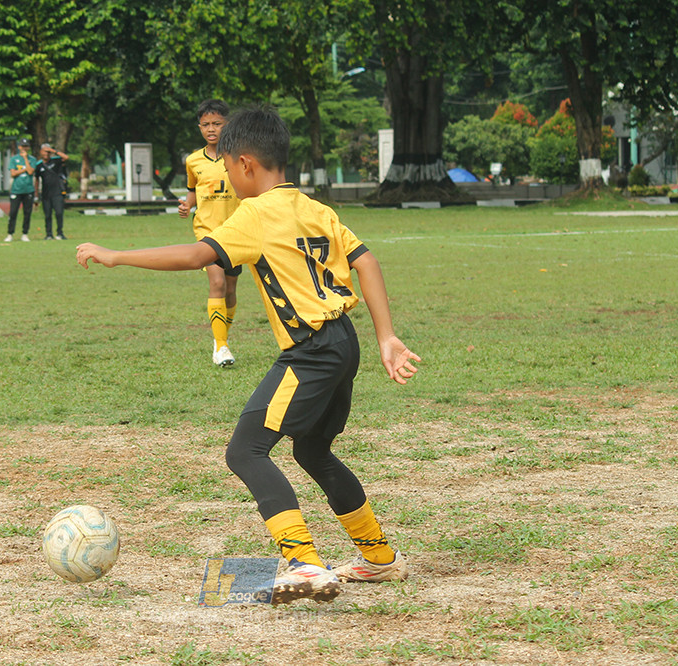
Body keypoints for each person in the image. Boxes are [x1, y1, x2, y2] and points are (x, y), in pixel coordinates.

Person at [77, 107, 421, 605]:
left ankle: (304, 563)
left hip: (312, 352)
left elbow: (197, 256)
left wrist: (117, 255)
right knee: (312, 450)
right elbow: (366, 260)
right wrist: (387, 335)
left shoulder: (255, 213)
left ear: (243, 165)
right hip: (345, 342)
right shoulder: (315, 208)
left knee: (245, 450)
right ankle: (379, 558)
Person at [178, 99, 241, 367]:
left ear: (227, 125)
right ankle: (222, 346)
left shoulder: (240, 156)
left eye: (217, 124)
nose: (211, 129)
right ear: (199, 128)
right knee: (216, 284)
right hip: (208, 232)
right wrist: (186, 205)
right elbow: (193, 191)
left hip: (237, 230)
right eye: (205, 125)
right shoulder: (193, 160)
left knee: (230, 289)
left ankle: (221, 339)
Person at [6, 138, 38, 242]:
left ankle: (25, 233)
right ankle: (10, 233)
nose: (24, 148)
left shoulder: (32, 159)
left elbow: (30, 172)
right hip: (16, 189)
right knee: (13, 212)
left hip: (28, 189)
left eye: (26, 146)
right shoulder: (14, 159)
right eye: (22, 146)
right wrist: (23, 169)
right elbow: (13, 173)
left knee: (27, 213)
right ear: (19, 147)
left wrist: (25, 160)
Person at [35, 143, 68, 240]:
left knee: (59, 213)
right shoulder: (39, 165)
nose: (46, 154)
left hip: (57, 192)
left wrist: (53, 151)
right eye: (45, 151)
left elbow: (66, 157)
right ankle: (49, 234)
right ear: (41, 152)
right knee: (47, 214)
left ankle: (60, 233)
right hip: (46, 194)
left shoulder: (56, 161)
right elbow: (36, 180)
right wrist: (36, 195)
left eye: (48, 152)